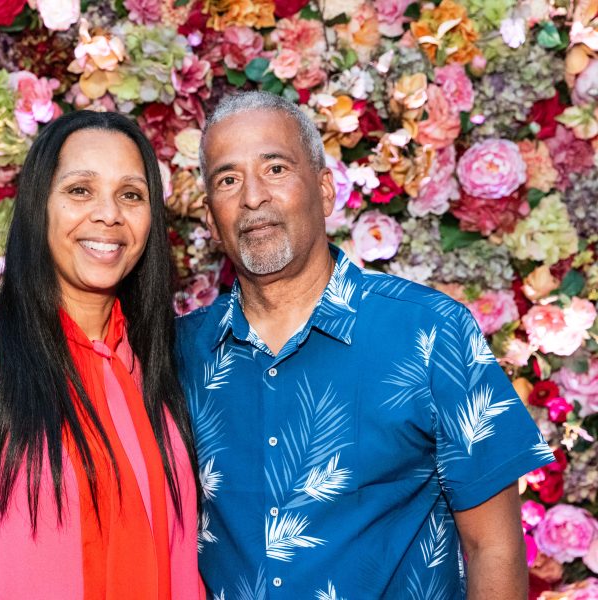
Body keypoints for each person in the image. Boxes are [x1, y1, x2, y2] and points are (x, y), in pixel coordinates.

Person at [176, 91, 555, 599]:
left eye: (275, 169)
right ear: (208, 215)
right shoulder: (181, 352)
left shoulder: (430, 333)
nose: (252, 197)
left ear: (326, 191)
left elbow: (495, 550)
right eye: (228, 179)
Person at [0, 111, 202, 600]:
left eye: (131, 195)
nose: (109, 214)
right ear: (39, 206)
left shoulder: (160, 360)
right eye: (80, 190)